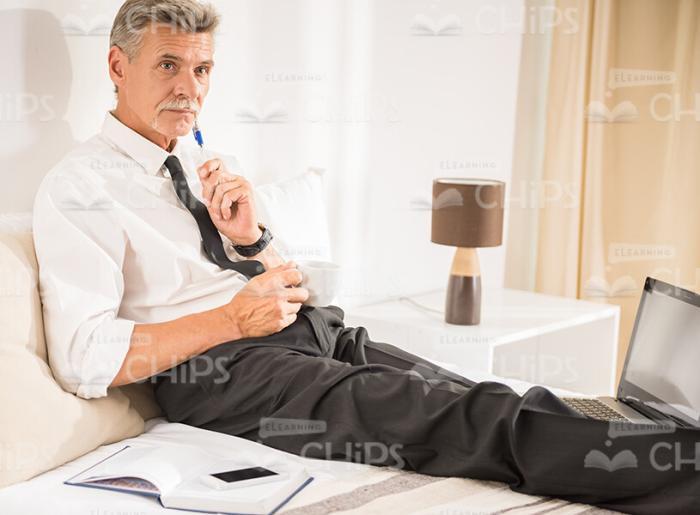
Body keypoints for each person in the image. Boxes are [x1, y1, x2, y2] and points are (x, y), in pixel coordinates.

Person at [32, 1, 700, 513]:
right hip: (222, 371)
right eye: (169, 65)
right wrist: (234, 320)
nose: (190, 88)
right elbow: (83, 356)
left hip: (309, 329)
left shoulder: (206, 161)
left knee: (473, 392)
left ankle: (661, 434)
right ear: (118, 67)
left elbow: (277, 279)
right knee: (460, 420)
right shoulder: (78, 187)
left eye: (202, 69)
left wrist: (253, 239)